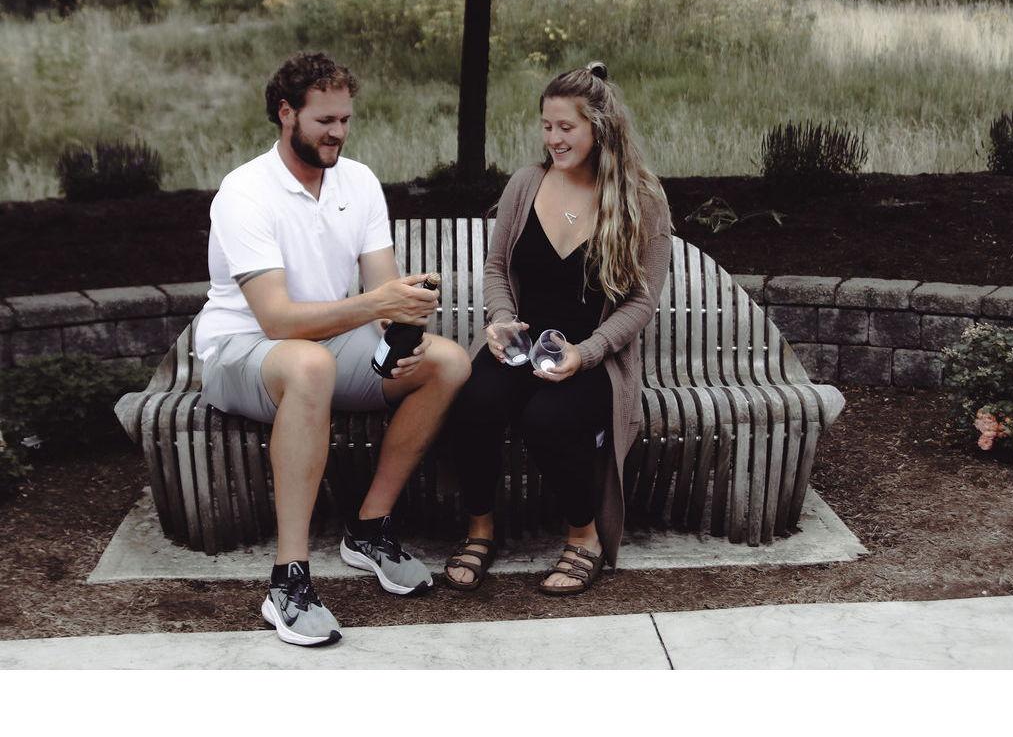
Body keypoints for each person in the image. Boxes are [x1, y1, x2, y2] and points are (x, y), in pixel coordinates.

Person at [195, 52, 471, 646]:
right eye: (324, 120)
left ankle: (369, 528)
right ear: (285, 113)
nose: (338, 133)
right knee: (310, 363)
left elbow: (382, 292)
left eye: (345, 120)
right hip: (241, 350)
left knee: (448, 362)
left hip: (324, 346)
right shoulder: (245, 192)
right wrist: (376, 307)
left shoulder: (358, 181)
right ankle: (287, 581)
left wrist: (402, 324)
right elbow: (275, 319)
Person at [443, 61, 672, 595]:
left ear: (600, 127)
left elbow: (641, 303)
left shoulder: (643, 200)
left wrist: (585, 353)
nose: (553, 139)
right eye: (547, 126)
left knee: (547, 419)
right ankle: (480, 530)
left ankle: (583, 535)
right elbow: (497, 268)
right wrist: (501, 321)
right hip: (519, 345)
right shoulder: (526, 184)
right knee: (474, 402)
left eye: (566, 127)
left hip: (592, 356)